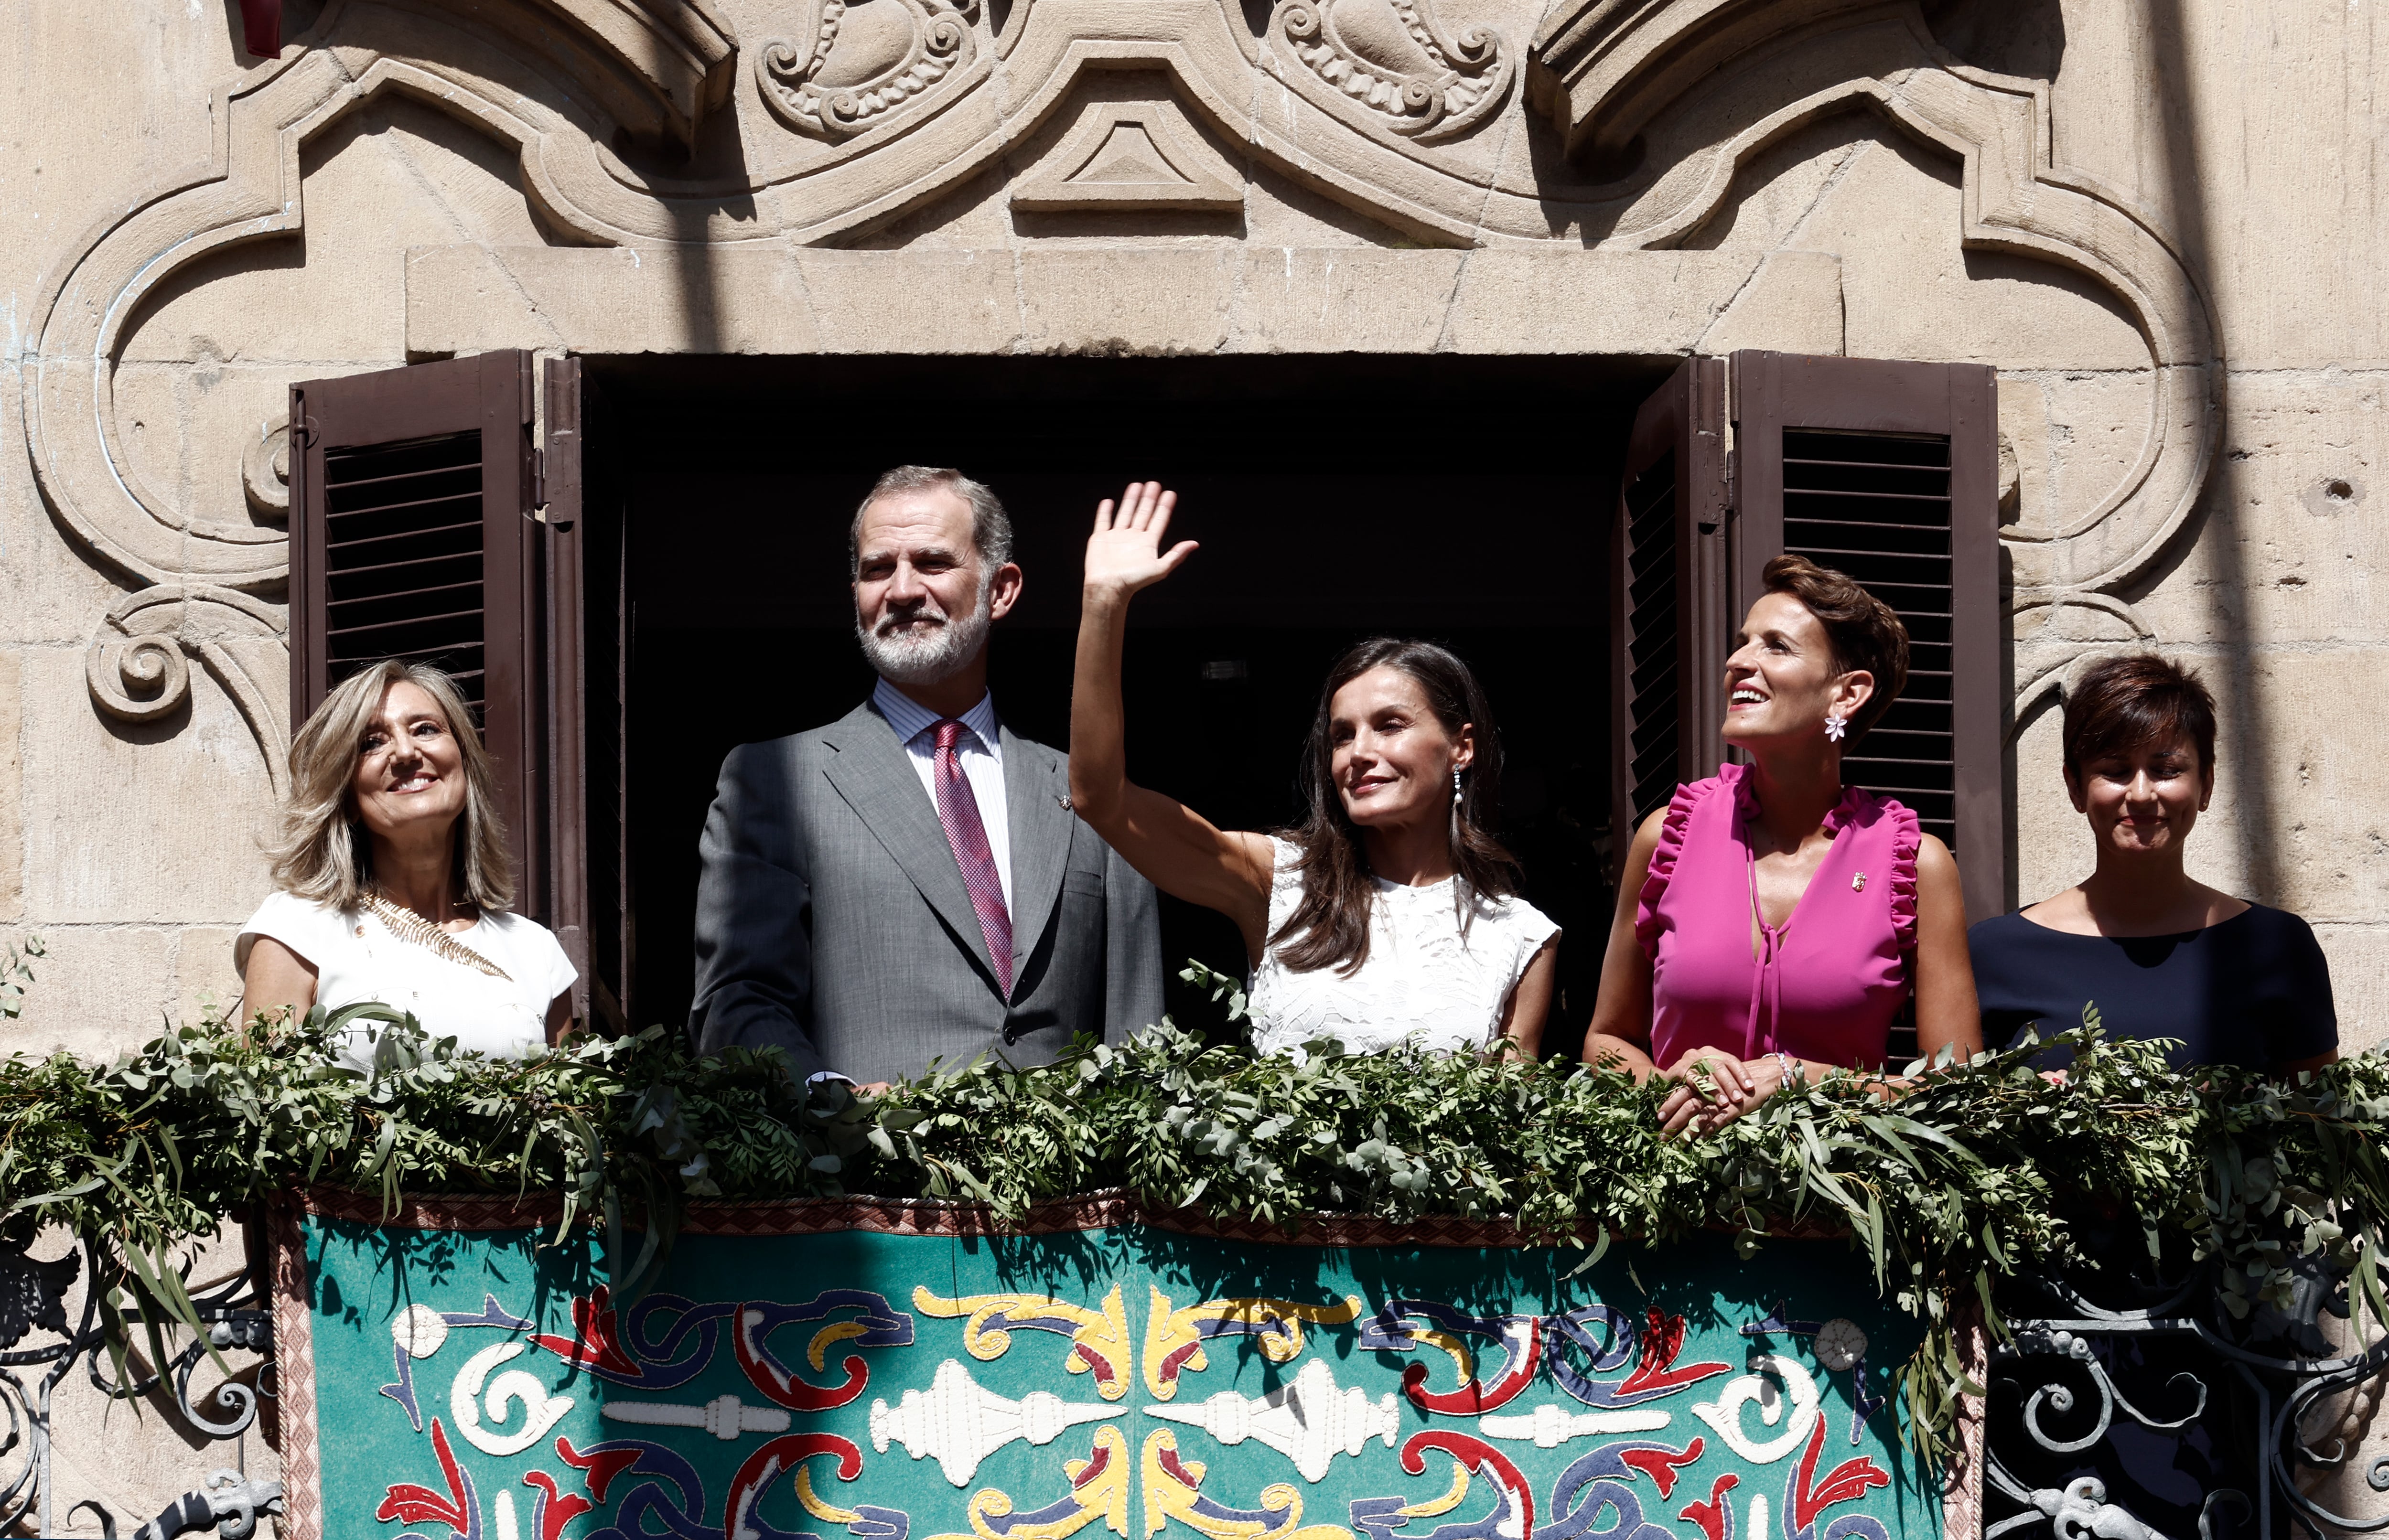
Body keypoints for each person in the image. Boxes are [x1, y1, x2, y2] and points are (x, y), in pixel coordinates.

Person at [690, 466, 1164, 1090]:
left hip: (1068, 1187)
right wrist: (834, 1105)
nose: (904, 589)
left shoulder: (1091, 793)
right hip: (866, 1181)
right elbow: (737, 1003)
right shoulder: (778, 780)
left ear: (1002, 588)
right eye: (878, 568)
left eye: (934, 563)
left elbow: (1138, 1032)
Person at [1069, 481, 1559, 1059]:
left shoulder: (1519, 934)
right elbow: (1100, 799)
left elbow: (1513, 1129)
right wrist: (1104, 605)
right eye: (1342, 735)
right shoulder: (1280, 882)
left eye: (1390, 725)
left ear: (1461, 747)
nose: (1358, 752)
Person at [1581, 555, 1981, 1133]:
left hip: (1839, 1205)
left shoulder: (1916, 863)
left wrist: (1802, 1079)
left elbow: (1955, 1086)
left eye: (1775, 646)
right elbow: (1606, 1039)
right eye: (1743, 642)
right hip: (1671, 1203)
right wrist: (1663, 1080)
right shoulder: (1667, 834)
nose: (1737, 661)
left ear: (1846, 693)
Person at [1969, 654, 2337, 1074]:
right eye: (2115, 770)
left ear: (2206, 785)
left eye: (2165, 770)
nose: (2142, 794)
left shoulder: (2276, 946)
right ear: (2075, 787)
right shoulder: (1995, 951)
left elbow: (2318, 1122)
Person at [238, 660, 578, 1067]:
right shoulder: (297, 929)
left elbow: (566, 1112)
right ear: (345, 798)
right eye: (371, 743)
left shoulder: (535, 951)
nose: (405, 752)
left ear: (465, 765)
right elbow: (266, 1110)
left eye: (426, 730)